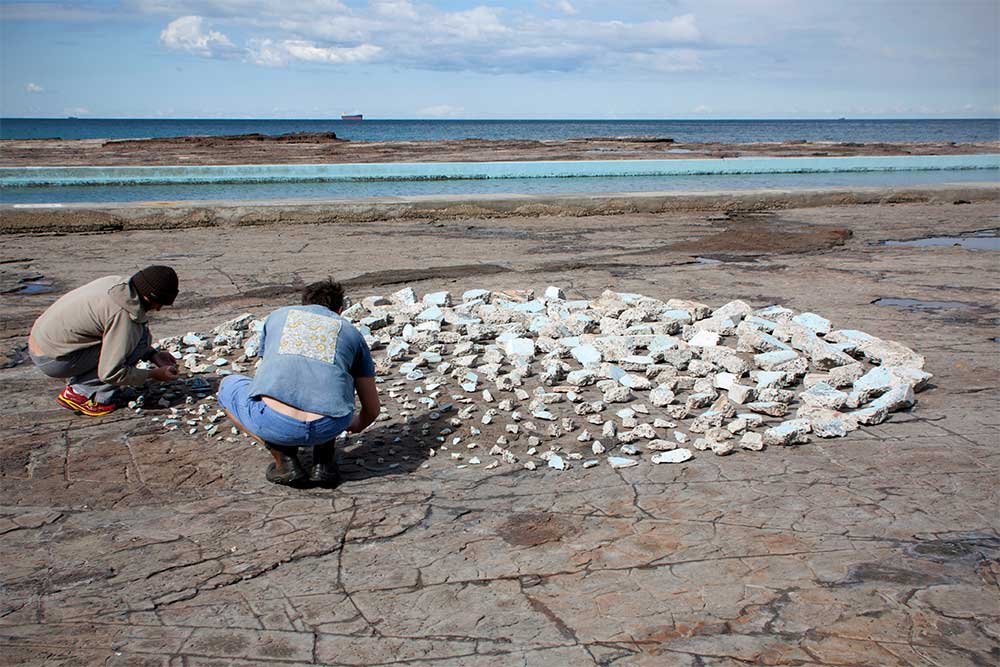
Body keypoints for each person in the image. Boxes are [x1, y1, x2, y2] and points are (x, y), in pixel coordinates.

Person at [218, 278, 380, 488]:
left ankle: (283, 457)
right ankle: (323, 462)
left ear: (304, 304)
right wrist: (357, 424)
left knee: (227, 386)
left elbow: (268, 370)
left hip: (275, 422)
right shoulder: (351, 332)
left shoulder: (278, 316)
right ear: (339, 310)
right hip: (329, 424)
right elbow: (372, 409)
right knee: (338, 375)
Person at [28, 266, 181, 416]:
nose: (158, 309)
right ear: (148, 297)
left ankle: (84, 382)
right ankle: (82, 394)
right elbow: (111, 372)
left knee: (138, 337)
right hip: (53, 359)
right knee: (132, 345)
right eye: (160, 304)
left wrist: (152, 354)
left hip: (43, 342)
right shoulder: (124, 314)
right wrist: (152, 374)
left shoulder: (119, 284)